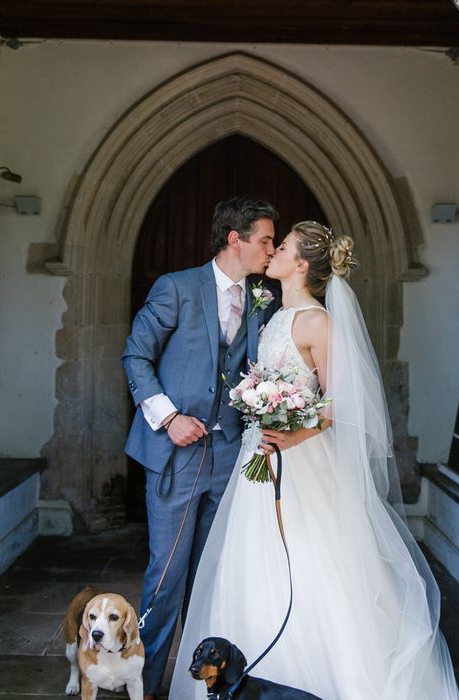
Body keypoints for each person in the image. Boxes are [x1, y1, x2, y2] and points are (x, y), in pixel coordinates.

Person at [171, 222, 459, 699]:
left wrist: (292, 437)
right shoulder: (274, 313)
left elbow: (337, 401)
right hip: (259, 458)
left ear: (301, 265)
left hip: (300, 461)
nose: (272, 253)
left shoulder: (316, 321)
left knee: (311, 563)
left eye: (280, 247)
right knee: (248, 559)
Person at [122, 195, 280, 699]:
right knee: (165, 578)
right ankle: (144, 687)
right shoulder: (177, 288)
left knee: (214, 577)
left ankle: (206, 689)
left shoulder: (264, 298)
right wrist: (167, 417)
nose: (270, 250)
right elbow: (135, 356)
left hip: (232, 458)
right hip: (175, 455)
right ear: (235, 239)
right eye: (265, 240)